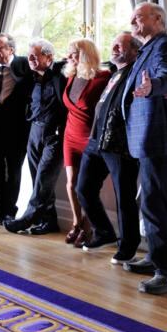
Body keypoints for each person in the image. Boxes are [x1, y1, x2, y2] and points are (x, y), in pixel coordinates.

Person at [120, 2, 167, 295]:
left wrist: (153, 87)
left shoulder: (164, 46)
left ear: (158, 19)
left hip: (160, 137)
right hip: (150, 138)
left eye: (138, 16)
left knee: (154, 202)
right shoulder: (148, 48)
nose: (133, 21)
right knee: (153, 201)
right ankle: (155, 257)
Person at [74, 32, 143, 263]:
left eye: (119, 46)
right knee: (83, 188)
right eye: (112, 44)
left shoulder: (135, 72)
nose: (113, 49)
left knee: (124, 197)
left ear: (134, 50)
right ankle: (104, 232)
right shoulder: (113, 72)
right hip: (96, 141)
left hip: (119, 145)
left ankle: (128, 246)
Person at [3, 39, 66, 235]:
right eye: (29, 55)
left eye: (35, 55)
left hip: (54, 134)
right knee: (38, 178)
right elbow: (15, 69)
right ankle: (49, 221)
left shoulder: (61, 73)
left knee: (43, 179)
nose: (30, 59)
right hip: (34, 131)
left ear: (49, 57)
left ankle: (28, 218)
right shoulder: (30, 77)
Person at [60, 39, 111, 247]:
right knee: (71, 183)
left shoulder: (103, 77)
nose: (69, 57)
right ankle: (77, 223)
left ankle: (89, 228)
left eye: (74, 53)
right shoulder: (71, 75)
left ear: (86, 54)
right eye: (69, 53)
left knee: (87, 186)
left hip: (89, 137)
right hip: (69, 135)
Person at [0, 34, 33, 223]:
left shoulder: (23, 64)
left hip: (17, 127)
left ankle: (10, 211)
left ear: (11, 49)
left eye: (0, 47)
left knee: (14, 169)